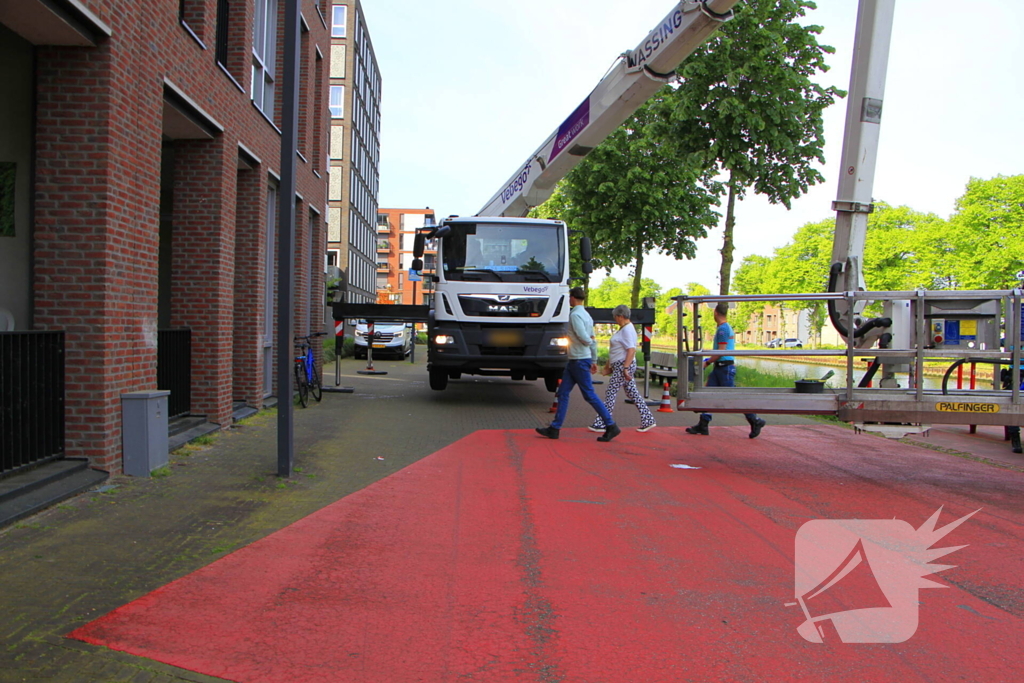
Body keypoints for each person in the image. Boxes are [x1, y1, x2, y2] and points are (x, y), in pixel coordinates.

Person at [536, 287, 620, 442]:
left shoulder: (575, 315)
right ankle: (555, 428)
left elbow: (584, 337)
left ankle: (610, 425)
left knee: (589, 394)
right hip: (578, 360)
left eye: (569, 298)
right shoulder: (587, 315)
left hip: (578, 360)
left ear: (573, 298)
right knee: (563, 393)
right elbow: (591, 339)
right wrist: (593, 359)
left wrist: (588, 343)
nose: (569, 300)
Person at [686, 302, 766, 439]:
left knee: (733, 396)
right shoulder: (724, 328)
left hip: (724, 367)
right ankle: (703, 423)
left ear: (715, 313)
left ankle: (755, 420)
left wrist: (707, 361)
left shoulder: (723, 329)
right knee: (708, 394)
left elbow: (720, 351)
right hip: (720, 367)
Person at [588, 304, 656, 434]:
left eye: (615, 317)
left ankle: (603, 422)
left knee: (610, 393)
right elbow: (617, 350)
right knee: (632, 393)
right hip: (621, 365)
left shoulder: (627, 330)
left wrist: (625, 368)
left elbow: (631, 350)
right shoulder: (624, 329)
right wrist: (610, 366)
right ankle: (648, 419)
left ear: (620, 316)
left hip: (623, 365)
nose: (614, 319)